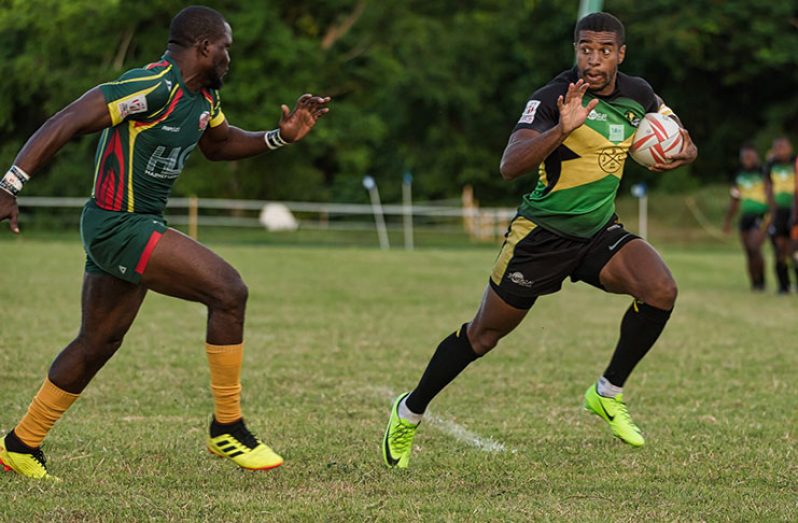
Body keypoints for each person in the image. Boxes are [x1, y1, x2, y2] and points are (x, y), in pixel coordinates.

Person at [0, 6, 330, 480]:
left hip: (134, 225)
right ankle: (228, 426)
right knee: (228, 291)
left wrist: (280, 136)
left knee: (98, 342)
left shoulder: (204, 99)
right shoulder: (152, 86)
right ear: (202, 48)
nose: (228, 58)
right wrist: (10, 185)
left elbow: (218, 147)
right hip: (120, 224)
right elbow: (69, 119)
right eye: (225, 48)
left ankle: (20, 443)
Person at [382, 12, 697, 469]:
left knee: (661, 290)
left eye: (605, 50)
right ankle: (408, 410)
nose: (594, 59)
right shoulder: (553, 98)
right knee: (483, 336)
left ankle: (606, 393)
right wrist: (561, 129)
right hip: (541, 237)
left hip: (598, 232)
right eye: (586, 48)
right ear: (575, 50)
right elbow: (510, 165)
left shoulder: (639, 94)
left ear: (620, 54)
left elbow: (684, 140)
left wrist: (682, 152)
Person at [723, 144, 768, 291]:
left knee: (755, 247)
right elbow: (735, 200)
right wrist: (728, 220)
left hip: (761, 215)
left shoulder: (764, 172)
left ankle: (762, 281)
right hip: (745, 217)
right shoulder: (739, 176)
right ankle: (754, 283)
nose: (747, 159)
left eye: (750, 156)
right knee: (748, 251)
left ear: (756, 156)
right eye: (744, 157)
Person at [764, 136, 797, 294]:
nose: (780, 151)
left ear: (790, 148)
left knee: (794, 250)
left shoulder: (795, 163)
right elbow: (768, 188)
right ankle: (783, 285)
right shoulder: (771, 165)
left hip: (795, 211)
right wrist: (772, 210)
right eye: (777, 148)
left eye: (783, 147)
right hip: (778, 213)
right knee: (779, 249)